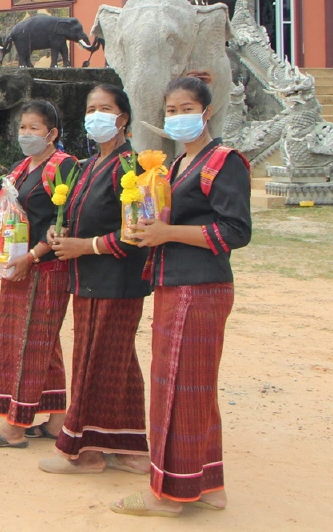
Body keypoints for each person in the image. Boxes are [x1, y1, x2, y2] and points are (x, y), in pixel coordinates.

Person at [112, 76, 251, 518]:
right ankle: (207, 484)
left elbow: (236, 231)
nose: (177, 117)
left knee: (175, 385)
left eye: (186, 108)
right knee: (195, 386)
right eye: (170, 110)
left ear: (206, 112)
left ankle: (169, 494)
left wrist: (168, 232)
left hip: (198, 285)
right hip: (176, 280)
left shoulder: (223, 162)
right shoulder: (174, 168)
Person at [41, 85, 151, 475]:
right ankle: (129, 447)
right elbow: (74, 216)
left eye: (105, 109)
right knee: (115, 360)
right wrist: (59, 235)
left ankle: (83, 451)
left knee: (96, 359)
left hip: (117, 279)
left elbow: (135, 233)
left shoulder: (133, 168)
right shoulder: (87, 166)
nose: (96, 116)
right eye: (91, 109)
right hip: (86, 277)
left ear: (122, 119)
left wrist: (84, 246)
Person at [0, 100, 77, 444]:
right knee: (44, 343)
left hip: (44, 267)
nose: (26, 134)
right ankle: (57, 419)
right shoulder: (19, 169)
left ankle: (15, 427)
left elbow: (64, 223)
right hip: (14, 265)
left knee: (28, 344)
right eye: (22, 127)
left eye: (34, 128)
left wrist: (31, 257)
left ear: (52, 134)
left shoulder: (63, 166)